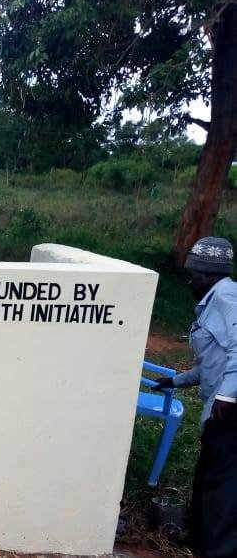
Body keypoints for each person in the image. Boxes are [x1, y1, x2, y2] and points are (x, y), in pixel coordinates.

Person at [154, 236, 237, 557]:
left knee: (224, 486)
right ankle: (201, 541)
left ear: (210, 274)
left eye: (193, 274)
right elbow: (210, 364)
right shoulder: (213, 301)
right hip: (220, 412)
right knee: (208, 478)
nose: (189, 280)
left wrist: (228, 398)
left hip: (229, 414)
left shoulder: (227, 299)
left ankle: (220, 550)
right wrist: (174, 380)